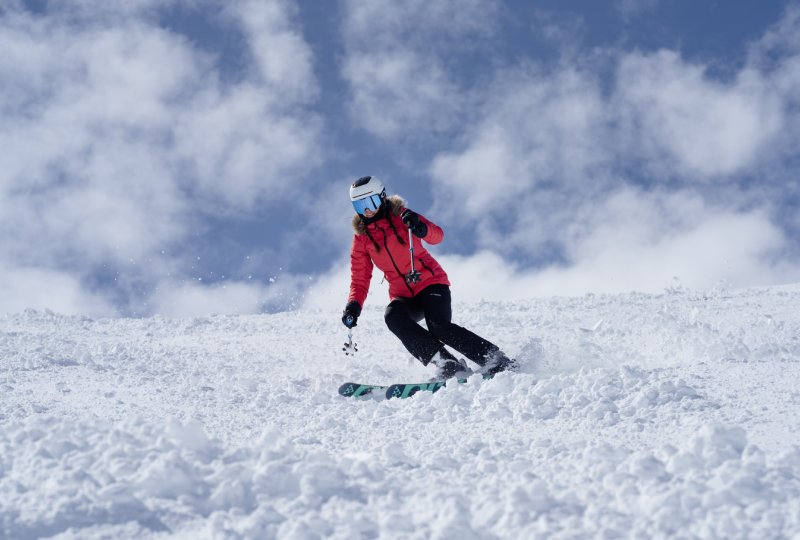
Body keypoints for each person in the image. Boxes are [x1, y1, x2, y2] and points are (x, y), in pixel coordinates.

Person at [341, 175, 516, 380]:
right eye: (359, 206)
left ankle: (493, 358)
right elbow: (360, 278)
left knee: (439, 326)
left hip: (431, 283)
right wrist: (353, 305)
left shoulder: (403, 216)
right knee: (393, 317)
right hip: (404, 295)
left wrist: (420, 228)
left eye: (370, 202)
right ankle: (448, 365)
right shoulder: (362, 238)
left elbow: (437, 236)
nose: (367, 210)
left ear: (382, 197)